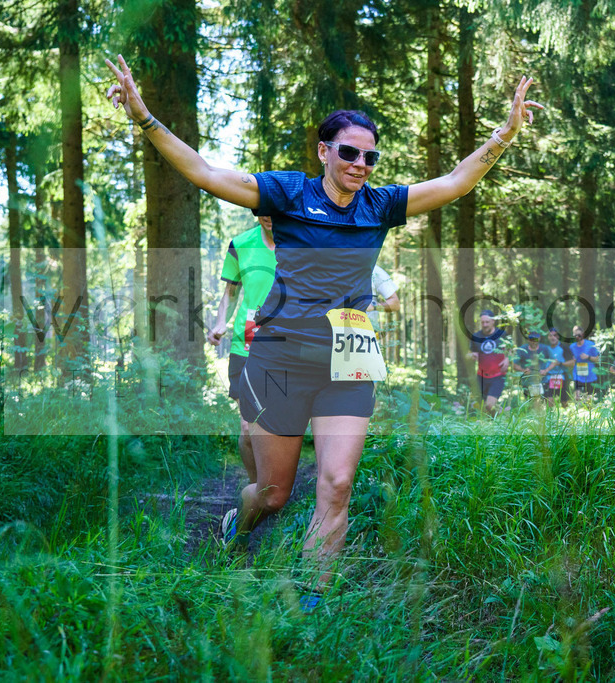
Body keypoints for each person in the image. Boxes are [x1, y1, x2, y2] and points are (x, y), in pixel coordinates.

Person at [105, 55, 542, 607]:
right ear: (324, 151)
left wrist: (503, 136)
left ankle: (312, 605)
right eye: (349, 152)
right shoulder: (288, 195)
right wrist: (145, 118)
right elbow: (206, 173)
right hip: (281, 357)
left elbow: (455, 181)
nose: (361, 164)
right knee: (272, 493)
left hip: (349, 358)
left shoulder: (381, 205)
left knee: (336, 485)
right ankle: (236, 529)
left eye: (370, 155)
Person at [206, 215, 277, 487]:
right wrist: (220, 321)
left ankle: (277, 489)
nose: (269, 216)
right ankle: (256, 489)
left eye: (274, 209)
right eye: (262, 210)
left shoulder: (299, 241)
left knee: (276, 426)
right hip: (246, 344)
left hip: (287, 345)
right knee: (249, 429)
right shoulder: (241, 244)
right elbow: (231, 292)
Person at [468, 310, 509, 413]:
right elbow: (469, 353)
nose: (485, 325)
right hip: (481, 376)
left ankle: (500, 416)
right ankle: (499, 416)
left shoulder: (502, 335)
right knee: (478, 407)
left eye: (487, 322)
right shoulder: (476, 336)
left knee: (490, 405)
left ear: (493, 321)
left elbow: (512, 350)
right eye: (482, 322)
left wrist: (507, 359)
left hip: (498, 376)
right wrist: (471, 355)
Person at [513, 330, 555, 401]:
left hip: (543, 380)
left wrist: (546, 370)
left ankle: (549, 412)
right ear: (528, 339)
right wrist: (523, 370)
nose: (533, 341)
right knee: (533, 402)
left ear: (539, 339)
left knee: (549, 400)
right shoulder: (522, 349)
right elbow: (514, 364)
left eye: (535, 339)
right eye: (531, 339)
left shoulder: (545, 348)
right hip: (528, 382)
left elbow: (554, 361)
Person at [543, 327, 574, 406]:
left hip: (562, 377)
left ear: (558, 337)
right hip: (549, 378)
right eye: (550, 335)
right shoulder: (546, 349)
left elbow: (572, 362)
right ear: (548, 337)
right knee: (549, 400)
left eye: (555, 335)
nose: (553, 337)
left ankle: (567, 416)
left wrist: (560, 363)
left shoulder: (564, 348)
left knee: (564, 402)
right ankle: (550, 417)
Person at [569, 325, 601, 399]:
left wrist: (588, 357)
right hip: (578, 374)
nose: (577, 337)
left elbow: (597, 359)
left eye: (579, 335)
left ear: (583, 334)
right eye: (575, 335)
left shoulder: (590, 345)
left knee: (589, 398)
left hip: (590, 374)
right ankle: (578, 410)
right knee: (577, 397)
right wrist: (572, 361)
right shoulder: (572, 347)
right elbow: (570, 361)